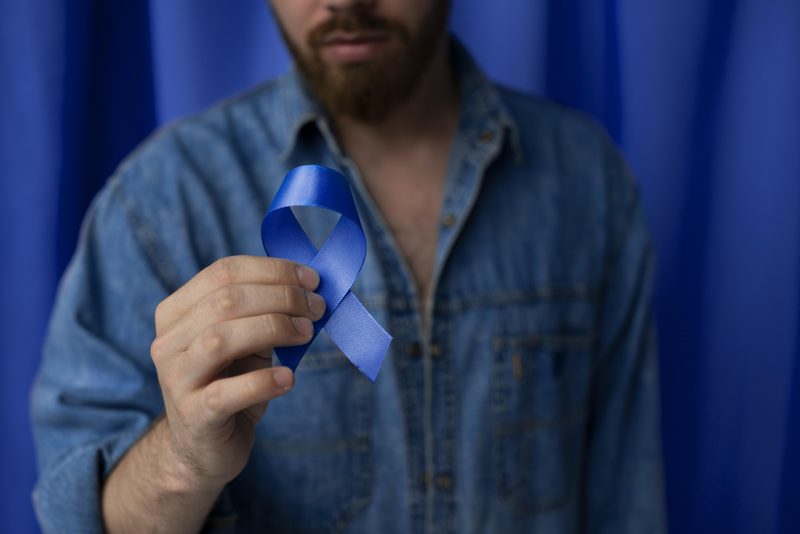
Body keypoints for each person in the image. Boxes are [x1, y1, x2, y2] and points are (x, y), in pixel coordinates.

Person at [31, 0, 667, 532]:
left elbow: (628, 502)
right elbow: (75, 519)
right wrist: (182, 461)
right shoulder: (161, 201)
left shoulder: (586, 181)